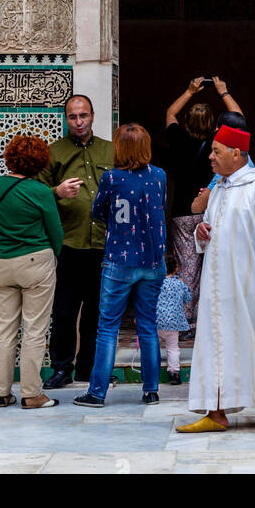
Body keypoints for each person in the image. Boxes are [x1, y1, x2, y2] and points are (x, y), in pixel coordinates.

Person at [177, 120, 255, 432]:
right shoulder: (218, 190)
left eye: (216, 151)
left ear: (237, 153)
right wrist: (202, 232)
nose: (211, 157)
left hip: (254, 288)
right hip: (219, 290)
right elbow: (210, 233)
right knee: (217, 347)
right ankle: (216, 413)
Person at [73, 123, 167, 408]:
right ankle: (151, 390)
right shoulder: (159, 176)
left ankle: (97, 392)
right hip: (152, 261)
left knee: (108, 327)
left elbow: (98, 211)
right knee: (148, 325)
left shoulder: (111, 178)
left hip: (119, 261)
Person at [38, 94, 114, 391]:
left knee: (97, 309)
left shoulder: (111, 150)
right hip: (68, 244)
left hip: (103, 245)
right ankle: (61, 368)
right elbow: (37, 193)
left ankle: (89, 368)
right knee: (65, 310)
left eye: (83, 116)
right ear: (66, 119)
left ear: (93, 116)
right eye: (73, 117)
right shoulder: (53, 153)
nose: (79, 122)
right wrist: (57, 191)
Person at [0, 133, 64, 409]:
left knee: (4, 329)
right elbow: (55, 230)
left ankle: (2, 392)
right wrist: (53, 254)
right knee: (34, 330)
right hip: (35, 263)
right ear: (40, 161)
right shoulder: (41, 191)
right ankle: (31, 393)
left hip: (1, 264)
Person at [164, 76, 242, 329]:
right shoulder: (218, 143)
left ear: (186, 122)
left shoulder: (176, 137)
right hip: (212, 209)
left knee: (186, 268)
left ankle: (186, 319)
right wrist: (223, 91)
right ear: (213, 124)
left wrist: (189, 91)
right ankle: (209, 318)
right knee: (213, 266)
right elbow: (239, 119)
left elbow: (170, 112)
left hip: (183, 214)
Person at [155, 252, 192, 386]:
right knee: (172, 348)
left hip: (156, 321)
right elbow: (188, 299)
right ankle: (174, 374)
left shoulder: (156, 283)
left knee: (153, 346)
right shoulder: (179, 283)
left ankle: (152, 371)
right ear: (176, 268)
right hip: (173, 323)